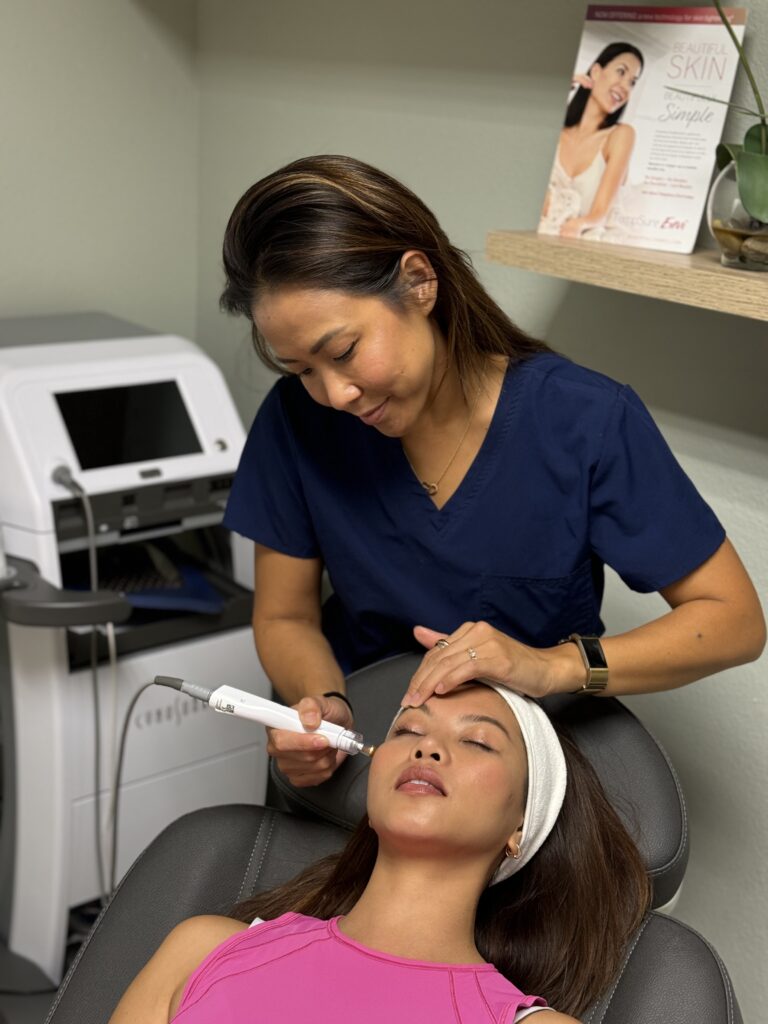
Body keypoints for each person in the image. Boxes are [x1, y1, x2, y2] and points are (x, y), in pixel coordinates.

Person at [220, 154, 765, 789]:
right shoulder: (298, 422)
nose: (333, 393)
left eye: (342, 352)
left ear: (420, 282)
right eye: (301, 370)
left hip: (512, 784)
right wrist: (323, 705)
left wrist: (552, 666)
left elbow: (733, 620)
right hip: (363, 760)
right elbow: (285, 618)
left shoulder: (581, 420)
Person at [108, 682, 651, 1022]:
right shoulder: (203, 948)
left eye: (478, 741)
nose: (427, 746)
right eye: (409, 729)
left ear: (521, 826)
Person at [538, 43, 643, 238]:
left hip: (589, 244)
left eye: (632, 82)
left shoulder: (621, 135)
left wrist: (578, 225)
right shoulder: (557, 133)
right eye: (621, 72)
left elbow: (598, 215)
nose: (625, 87)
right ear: (596, 71)